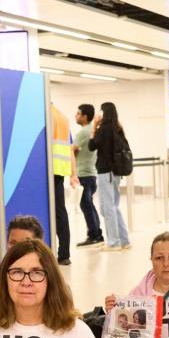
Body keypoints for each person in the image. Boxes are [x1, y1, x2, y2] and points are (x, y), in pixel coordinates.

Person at [88, 101, 131, 251]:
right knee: (114, 207)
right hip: (116, 173)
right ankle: (124, 240)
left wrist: (94, 127)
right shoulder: (118, 128)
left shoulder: (104, 129)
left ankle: (113, 242)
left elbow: (91, 146)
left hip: (106, 172)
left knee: (108, 208)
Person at [49, 103, 78, 266]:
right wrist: (73, 173)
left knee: (47, 212)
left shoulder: (46, 115)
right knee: (60, 212)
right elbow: (70, 149)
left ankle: (46, 252)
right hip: (60, 169)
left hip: (46, 170)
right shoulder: (63, 118)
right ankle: (64, 254)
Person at [73, 104, 104, 248]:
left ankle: (94, 235)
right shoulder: (92, 130)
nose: (76, 116)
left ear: (85, 117)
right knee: (88, 204)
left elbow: (72, 151)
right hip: (91, 173)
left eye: (78, 113)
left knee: (85, 204)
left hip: (83, 173)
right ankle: (96, 233)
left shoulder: (82, 132)